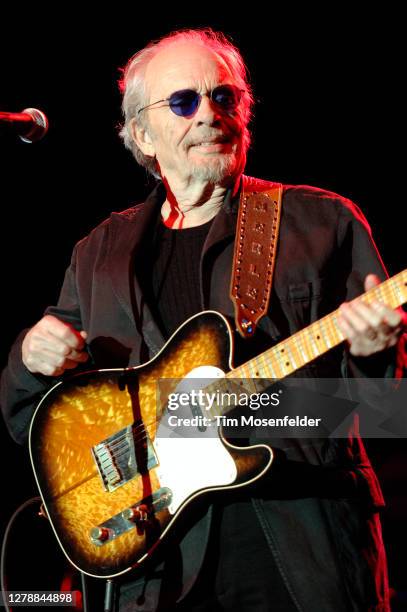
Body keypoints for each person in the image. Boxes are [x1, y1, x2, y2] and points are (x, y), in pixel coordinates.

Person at [1, 28, 405, 612]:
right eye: (184, 101)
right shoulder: (99, 252)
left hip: (297, 555)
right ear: (141, 132)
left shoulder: (321, 224)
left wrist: (372, 354)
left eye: (225, 97)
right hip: (147, 572)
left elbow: (385, 413)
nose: (209, 115)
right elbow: (29, 420)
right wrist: (31, 360)